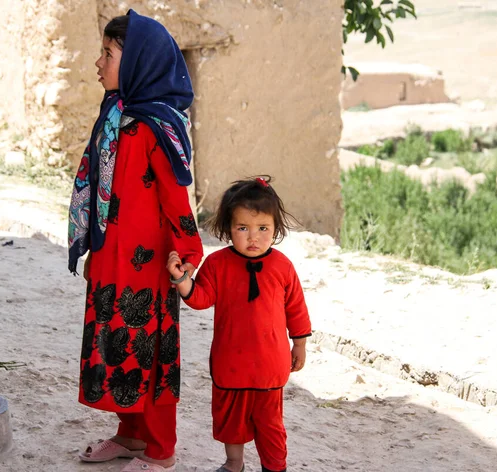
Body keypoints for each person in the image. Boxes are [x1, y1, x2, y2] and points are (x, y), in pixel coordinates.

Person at [68, 10, 203, 472]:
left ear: (139, 63)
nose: (98, 63)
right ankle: (130, 435)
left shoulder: (154, 127)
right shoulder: (113, 117)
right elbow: (101, 192)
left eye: (108, 54)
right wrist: (93, 245)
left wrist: (186, 255)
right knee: (116, 343)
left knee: (152, 349)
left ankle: (160, 450)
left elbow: (175, 200)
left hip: (149, 267)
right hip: (112, 257)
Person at [167, 177, 312, 472]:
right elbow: (201, 298)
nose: (253, 237)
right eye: (242, 228)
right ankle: (234, 464)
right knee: (230, 422)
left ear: (275, 229)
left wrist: (300, 344)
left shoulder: (283, 266)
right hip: (230, 362)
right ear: (228, 228)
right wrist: (183, 280)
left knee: (270, 426)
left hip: (270, 366)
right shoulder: (218, 264)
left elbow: (296, 308)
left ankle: (275, 468)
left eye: (263, 229)